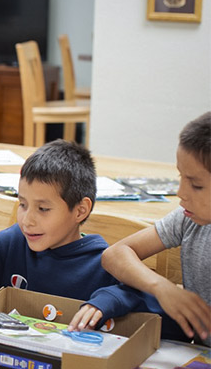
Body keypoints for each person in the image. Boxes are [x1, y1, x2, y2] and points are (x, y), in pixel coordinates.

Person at [69, 112, 211, 346]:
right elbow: (115, 255)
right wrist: (162, 287)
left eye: (196, 184)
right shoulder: (187, 219)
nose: (181, 192)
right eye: (180, 176)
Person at [0, 140, 118, 301]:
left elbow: (142, 305)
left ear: (80, 211)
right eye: (23, 204)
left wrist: (110, 301)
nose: (27, 220)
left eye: (43, 209)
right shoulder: (9, 244)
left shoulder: (102, 266)